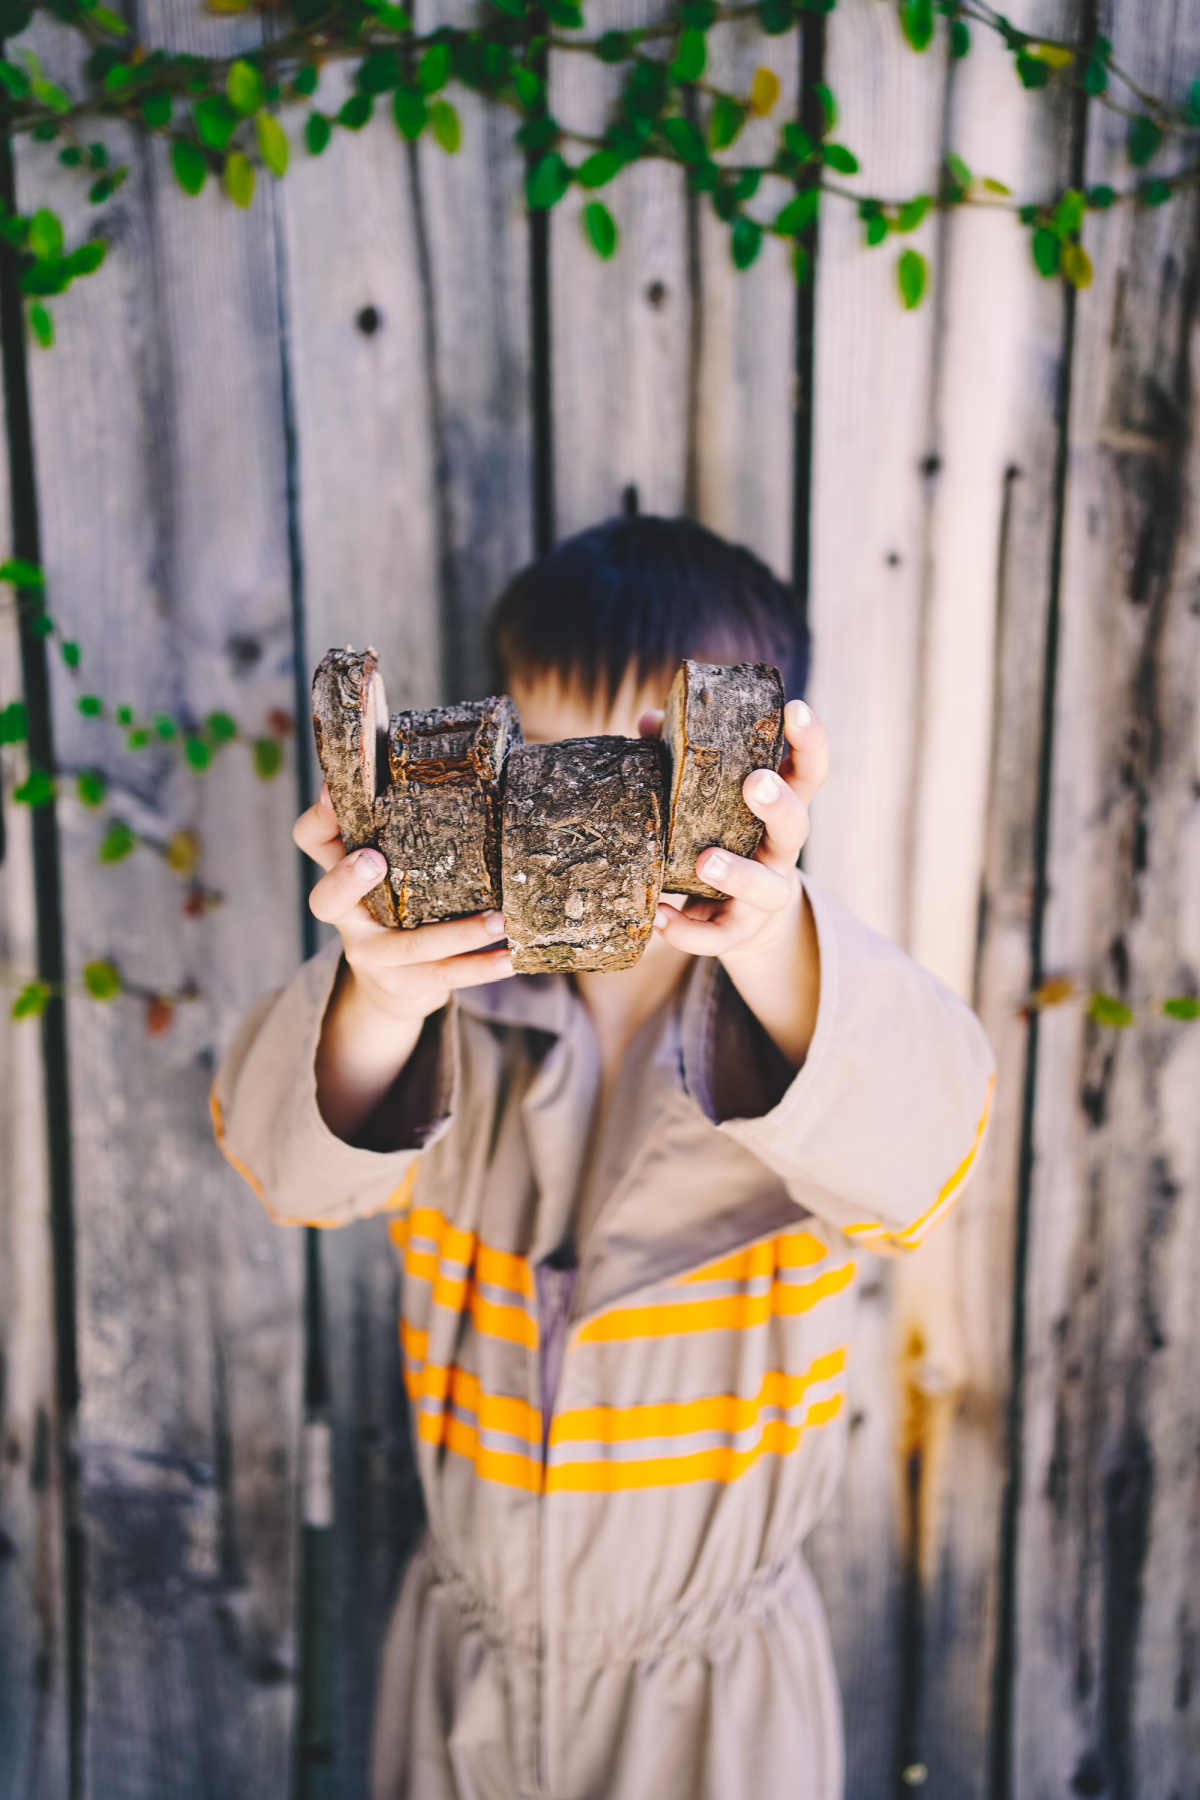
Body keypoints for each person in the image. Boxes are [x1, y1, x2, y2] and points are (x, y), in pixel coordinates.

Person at [213, 515, 995, 1800]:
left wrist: (777, 941)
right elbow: (288, 1168)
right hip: (462, 1670)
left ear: (761, 769)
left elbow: (928, 1153)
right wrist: (379, 995)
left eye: (647, 770)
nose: (594, 825)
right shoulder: (444, 1005)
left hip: (712, 1705)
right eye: (553, 772)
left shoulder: (810, 1017)